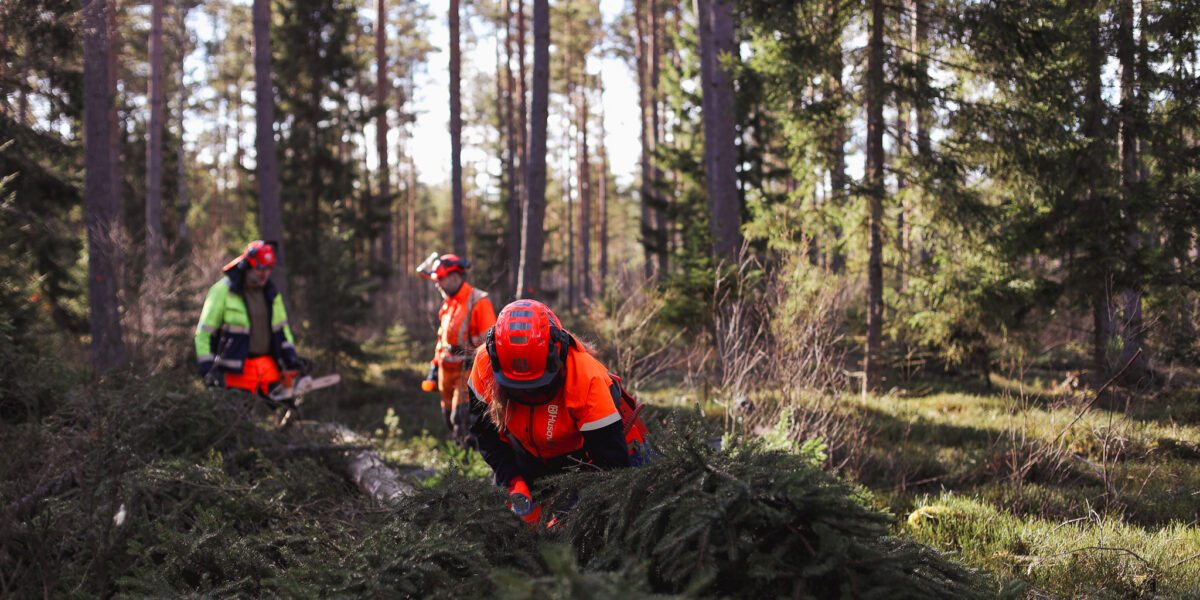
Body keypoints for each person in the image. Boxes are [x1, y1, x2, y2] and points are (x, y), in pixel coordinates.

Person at [466, 300, 649, 525]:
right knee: (515, 526)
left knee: (608, 523)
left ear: (557, 352)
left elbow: (610, 465)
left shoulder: (587, 379)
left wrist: (572, 515)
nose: (529, 395)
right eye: (518, 388)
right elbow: (486, 435)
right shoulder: (485, 365)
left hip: (591, 456)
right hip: (529, 451)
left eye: (537, 385)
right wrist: (511, 479)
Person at [195, 240, 306, 398]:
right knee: (238, 416)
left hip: (267, 368)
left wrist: (290, 356)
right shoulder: (223, 291)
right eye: (260, 269)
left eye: (268, 269)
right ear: (248, 266)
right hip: (235, 371)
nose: (265, 274)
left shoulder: (272, 294)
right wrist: (207, 368)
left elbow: (283, 329)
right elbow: (203, 333)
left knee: (280, 408)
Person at [416, 252, 496, 445]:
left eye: (441, 279)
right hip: (446, 373)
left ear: (454, 277)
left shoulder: (478, 302)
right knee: (449, 419)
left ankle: (467, 467)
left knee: (462, 420)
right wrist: (434, 368)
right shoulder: (448, 304)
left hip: (467, 373)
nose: (437, 284)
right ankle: (459, 460)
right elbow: (442, 340)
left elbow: (490, 345)